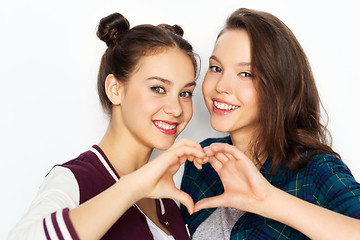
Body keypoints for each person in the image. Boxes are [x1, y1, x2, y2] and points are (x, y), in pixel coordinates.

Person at [8, 12, 205, 240]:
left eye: (185, 93)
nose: (177, 108)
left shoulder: (167, 199)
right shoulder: (73, 180)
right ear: (115, 89)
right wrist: (132, 188)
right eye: (158, 88)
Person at [181, 8, 360, 239]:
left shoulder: (314, 171)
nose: (221, 86)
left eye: (246, 74)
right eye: (216, 68)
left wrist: (269, 200)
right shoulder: (202, 163)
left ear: (278, 86)